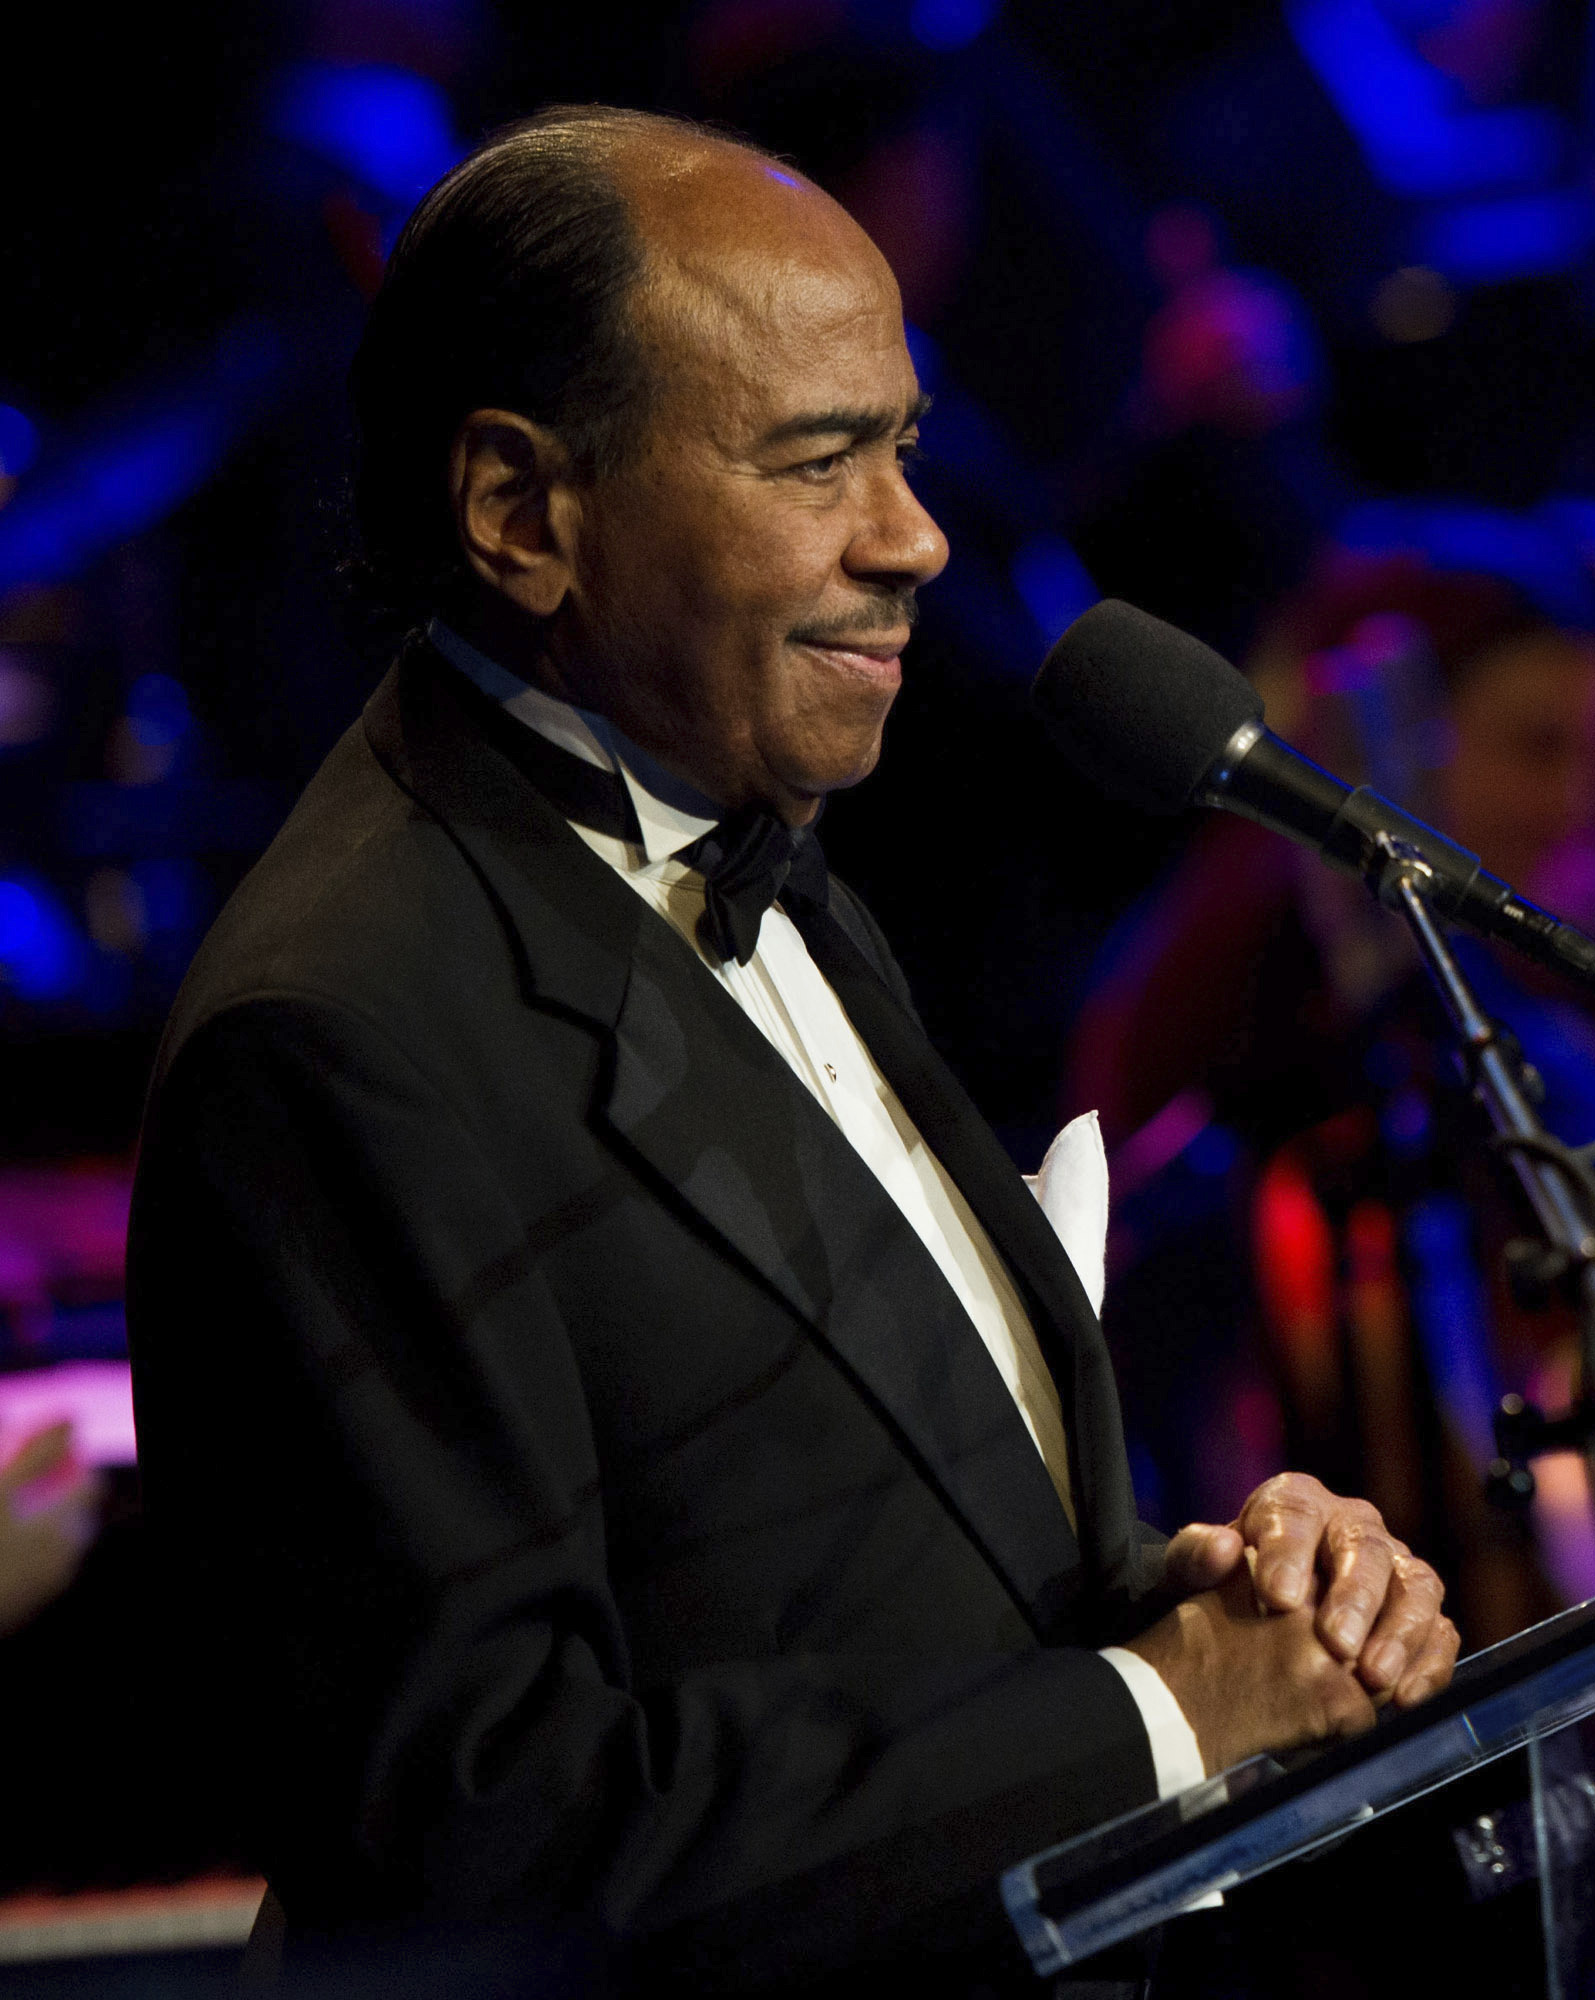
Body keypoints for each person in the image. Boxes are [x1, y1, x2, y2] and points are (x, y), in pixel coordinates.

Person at [124, 106, 1456, 1993]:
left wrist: (1210, 1592)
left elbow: (830, 1559)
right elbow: (483, 1839)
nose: (915, 536)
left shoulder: (742, 819)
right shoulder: (335, 1039)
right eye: (817, 461)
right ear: (520, 512)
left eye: (900, 445)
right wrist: (1161, 1714)